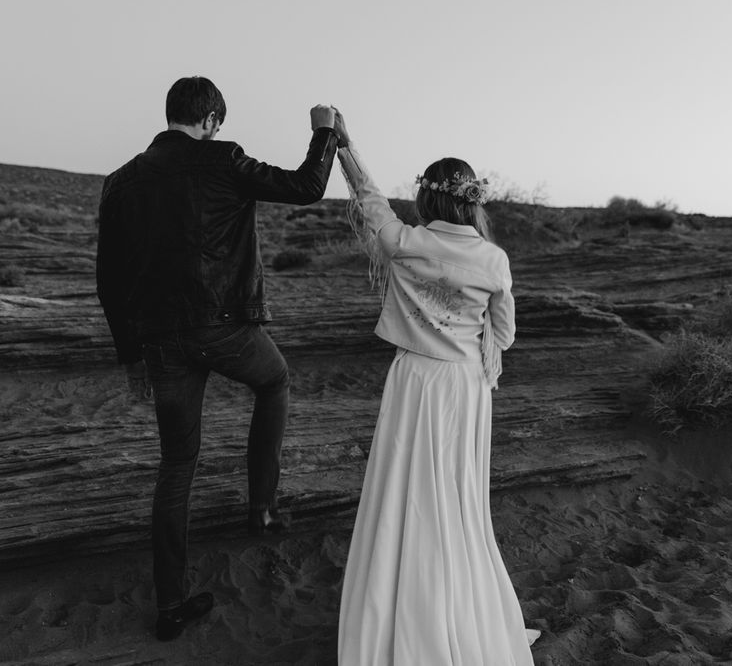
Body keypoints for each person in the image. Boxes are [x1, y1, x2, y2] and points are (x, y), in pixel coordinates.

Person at [96, 76, 341, 641]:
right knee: (275, 381)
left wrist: (130, 356)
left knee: (176, 465)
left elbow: (108, 283)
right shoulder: (222, 159)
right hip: (225, 328)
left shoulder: (121, 182)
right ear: (209, 119)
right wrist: (323, 130)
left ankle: (170, 607)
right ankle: (261, 506)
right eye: (218, 124)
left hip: (159, 340)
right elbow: (307, 187)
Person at [334, 112, 539, 664]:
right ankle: (459, 610)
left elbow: (370, 200)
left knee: (406, 494)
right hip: (465, 386)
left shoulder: (404, 241)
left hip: (415, 380)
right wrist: (475, 352)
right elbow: (505, 334)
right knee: (457, 498)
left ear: (427, 199)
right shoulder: (494, 260)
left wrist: (344, 145)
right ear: (472, 202)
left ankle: (401, 607)